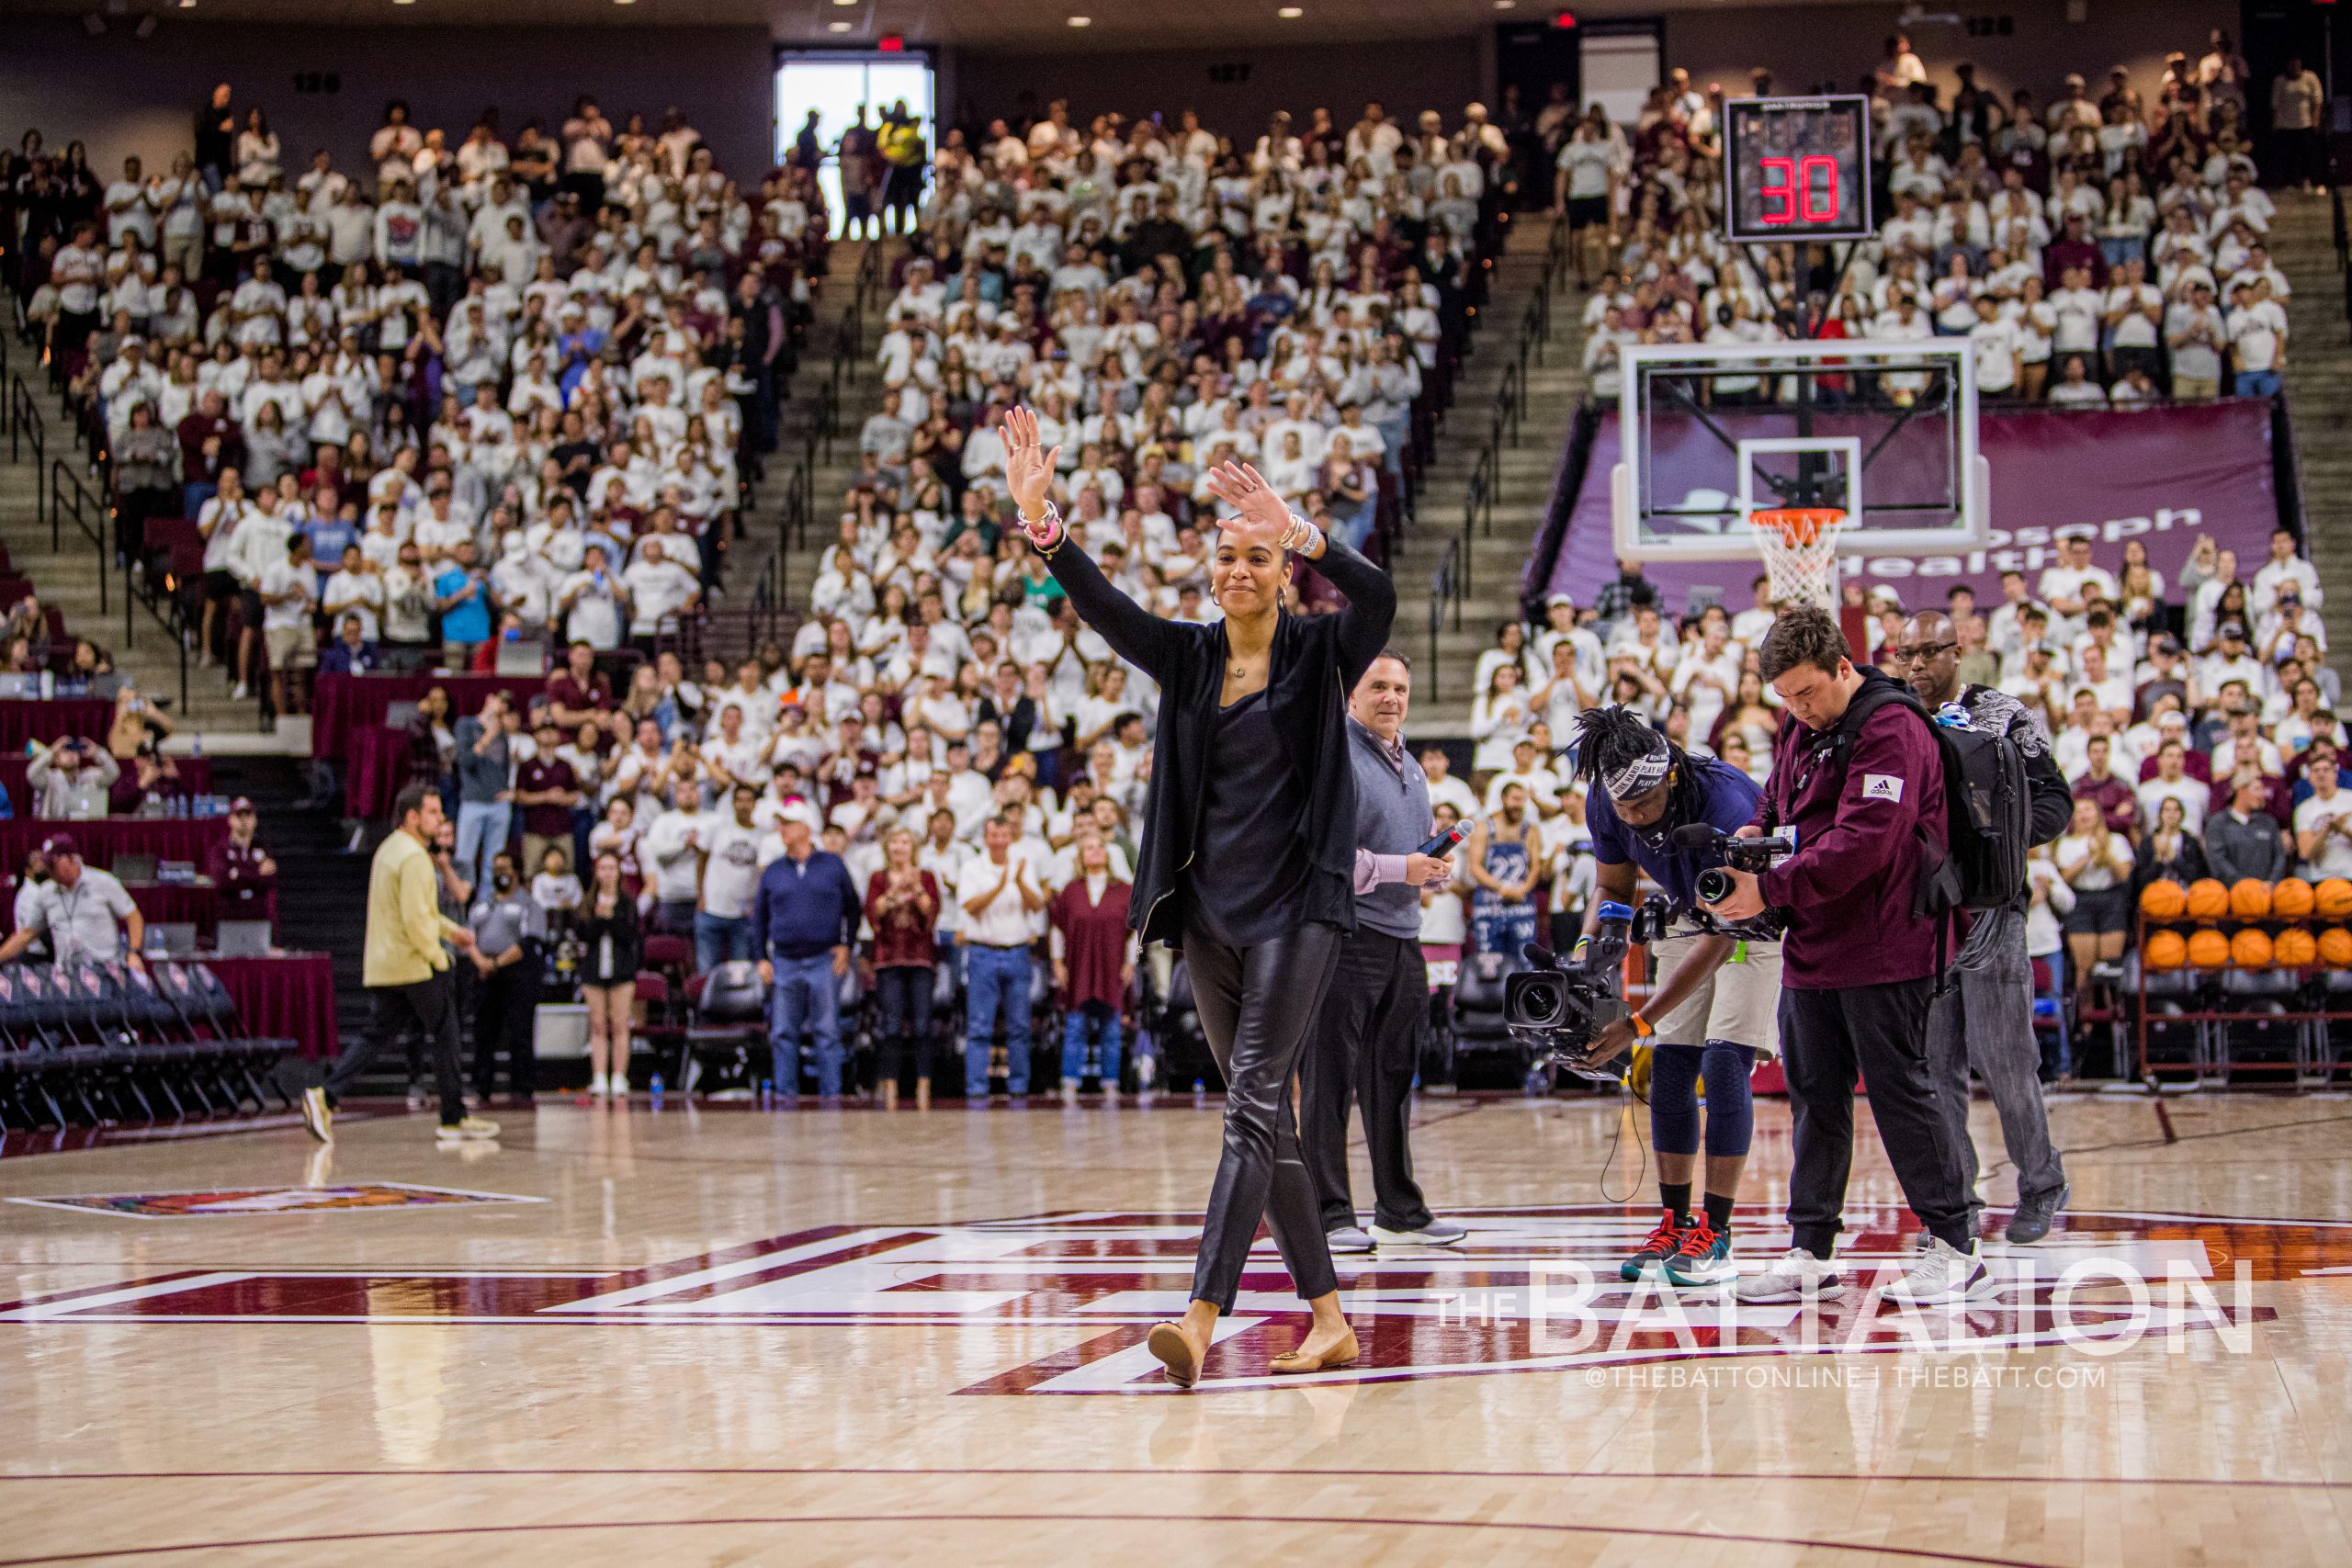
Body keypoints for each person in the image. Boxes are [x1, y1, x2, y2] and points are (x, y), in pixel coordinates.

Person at [1007, 405, 1395, 1387]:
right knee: (1263, 1124)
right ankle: (1331, 1319)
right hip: (1209, 918)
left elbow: (1378, 598)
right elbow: (1102, 607)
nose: (1235, 571)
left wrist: (1303, 530)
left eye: (1255, 559)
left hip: (1298, 912)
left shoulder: (1319, 656)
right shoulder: (1185, 656)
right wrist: (1042, 521)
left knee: (1251, 1110)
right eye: (1224, 557)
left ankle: (1198, 1314)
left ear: (1281, 574)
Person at [1705, 606, 1989, 1305]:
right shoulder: (1804, 727)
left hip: (1890, 942)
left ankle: (1956, 1246)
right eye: (1785, 699)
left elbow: (1867, 841)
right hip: (1815, 942)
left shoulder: (1892, 726)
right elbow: (1779, 800)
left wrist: (1766, 884)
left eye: (1808, 693)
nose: (1798, 709)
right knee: (1814, 1100)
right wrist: (1755, 830)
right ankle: (1811, 1250)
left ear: (1843, 666)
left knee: (1902, 1094)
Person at [1571, 704, 1783, 1288]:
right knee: (1670, 1068)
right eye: (1623, 809)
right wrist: (1589, 959)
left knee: (1721, 1062)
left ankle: (1717, 1234)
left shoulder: (1728, 803)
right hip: (1689, 911)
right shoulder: (1606, 798)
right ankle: (1673, 1220)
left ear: (1669, 777)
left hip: (1752, 919)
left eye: (1644, 806)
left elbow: (1724, 933)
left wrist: (1637, 1021)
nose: (1634, 819)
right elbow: (1613, 888)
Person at [1901, 612, 2074, 1245]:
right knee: (1935, 1067)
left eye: (1927, 652)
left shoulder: (2003, 714)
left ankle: (2041, 1184)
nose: (1916, 665)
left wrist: (1994, 830)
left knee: (2005, 1059)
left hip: (1992, 908)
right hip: (1922, 916)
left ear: (1959, 649)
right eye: (1905, 654)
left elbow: (2055, 801)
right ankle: (1955, 1206)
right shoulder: (1893, 719)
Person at [1301, 650, 1466, 1254]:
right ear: (1351, 692)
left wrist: (1430, 867)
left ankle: (1399, 1209)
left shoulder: (1412, 764)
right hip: (1343, 937)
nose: (1392, 696)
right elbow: (1323, 856)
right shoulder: (1334, 754)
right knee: (1328, 1078)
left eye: (1400, 686)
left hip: (1400, 938)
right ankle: (1328, 1213)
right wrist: (1406, 866)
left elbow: (1400, 851)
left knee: (1392, 1078)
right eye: (1378, 686)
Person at [301, 782, 498, 1146]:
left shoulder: (391, 850)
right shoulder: (414, 858)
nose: (440, 821)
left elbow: (414, 911)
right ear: (412, 816)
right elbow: (416, 920)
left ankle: (325, 1096)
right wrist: (439, 958)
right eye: (433, 813)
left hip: (386, 963)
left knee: (376, 1035)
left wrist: (453, 931)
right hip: (414, 964)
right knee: (446, 1033)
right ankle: (453, 1118)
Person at [750, 816, 859, 1100]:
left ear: (807, 829)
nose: (782, 830)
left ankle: (831, 1096)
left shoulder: (832, 865)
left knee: (827, 1032)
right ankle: (785, 1096)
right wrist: (761, 956)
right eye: (780, 825)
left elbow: (853, 906)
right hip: (785, 960)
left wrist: (847, 944)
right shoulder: (773, 871)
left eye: (789, 824)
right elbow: (759, 917)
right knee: (783, 1032)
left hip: (824, 958)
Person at [956, 813, 1044, 1100]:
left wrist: (1017, 882)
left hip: (1017, 951)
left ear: (1010, 837)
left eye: (1004, 836)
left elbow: (1036, 904)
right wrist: (998, 886)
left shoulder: (1022, 864)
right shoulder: (972, 867)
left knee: (1019, 1025)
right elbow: (970, 906)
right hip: (983, 952)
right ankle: (977, 1087)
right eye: (994, 835)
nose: (999, 841)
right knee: (979, 1026)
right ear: (986, 838)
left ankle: (1018, 1086)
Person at [1049, 834, 1135, 1102]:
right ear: (1081, 857)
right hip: (1080, 965)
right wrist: (1057, 962)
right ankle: (1069, 1081)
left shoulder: (1123, 890)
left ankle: (1111, 1082)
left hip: (1112, 965)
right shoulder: (1071, 890)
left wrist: (1130, 962)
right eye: (1089, 847)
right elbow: (1058, 929)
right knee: (1075, 1025)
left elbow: (1133, 932)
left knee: (1111, 1026)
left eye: (1099, 847)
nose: (1095, 851)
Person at [865, 826, 941, 1111]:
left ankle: (924, 1084)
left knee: (922, 1026)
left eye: (905, 843)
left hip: (920, 958)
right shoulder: (878, 878)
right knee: (891, 1026)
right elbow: (875, 912)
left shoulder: (927, 877)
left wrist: (917, 887)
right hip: (889, 959)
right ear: (887, 848)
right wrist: (895, 889)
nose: (899, 848)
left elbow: (930, 912)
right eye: (895, 843)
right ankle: (891, 1085)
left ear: (913, 848)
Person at [467, 850, 543, 1104]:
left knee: (519, 1030)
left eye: (506, 868)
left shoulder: (528, 904)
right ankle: (481, 1085)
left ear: (517, 872)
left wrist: (497, 963)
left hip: (517, 971)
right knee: (484, 1031)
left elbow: (528, 941)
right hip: (484, 970)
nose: (501, 874)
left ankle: (522, 1087)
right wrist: (481, 961)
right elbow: (468, 937)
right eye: (496, 868)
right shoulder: (482, 904)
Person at [0, 834, 142, 966]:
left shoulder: (103, 882)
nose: (48, 870)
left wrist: (134, 952)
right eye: (47, 864)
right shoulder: (46, 892)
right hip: (68, 973)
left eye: (53, 864)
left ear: (71, 859)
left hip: (104, 968)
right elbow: (28, 934)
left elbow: (133, 916)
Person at [576, 849, 641, 1100]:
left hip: (621, 970)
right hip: (594, 970)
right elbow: (584, 934)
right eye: (602, 868)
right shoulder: (588, 902)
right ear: (596, 872)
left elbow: (629, 936)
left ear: (619, 872)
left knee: (620, 1024)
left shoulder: (627, 903)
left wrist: (610, 918)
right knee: (598, 1025)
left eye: (611, 868)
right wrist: (599, 919)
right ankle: (599, 1076)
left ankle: (619, 1076)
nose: (607, 873)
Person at [451, 693, 513, 897]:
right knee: (464, 859)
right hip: (473, 802)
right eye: (500, 700)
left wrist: (506, 789)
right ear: (489, 698)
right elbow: (465, 761)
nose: (502, 706)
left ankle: (485, 908)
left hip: (499, 804)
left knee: (493, 862)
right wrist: (487, 737)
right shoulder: (466, 725)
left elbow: (503, 767)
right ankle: (459, 906)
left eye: (506, 704)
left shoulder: (502, 734)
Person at [205, 796, 278, 926]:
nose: (244, 820)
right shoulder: (220, 850)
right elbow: (222, 882)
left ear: (255, 820)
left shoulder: (263, 848)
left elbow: (270, 880)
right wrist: (257, 873)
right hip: (229, 916)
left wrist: (238, 874)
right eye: (239, 816)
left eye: (248, 816)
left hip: (258, 916)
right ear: (230, 820)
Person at [28, 737, 119, 820]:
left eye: (74, 751)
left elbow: (113, 773)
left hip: (88, 831)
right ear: (56, 758)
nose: (70, 755)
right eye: (65, 751)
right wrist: (52, 751)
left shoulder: (92, 777)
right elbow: (32, 774)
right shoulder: (49, 778)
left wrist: (97, 752)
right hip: (56, 830)